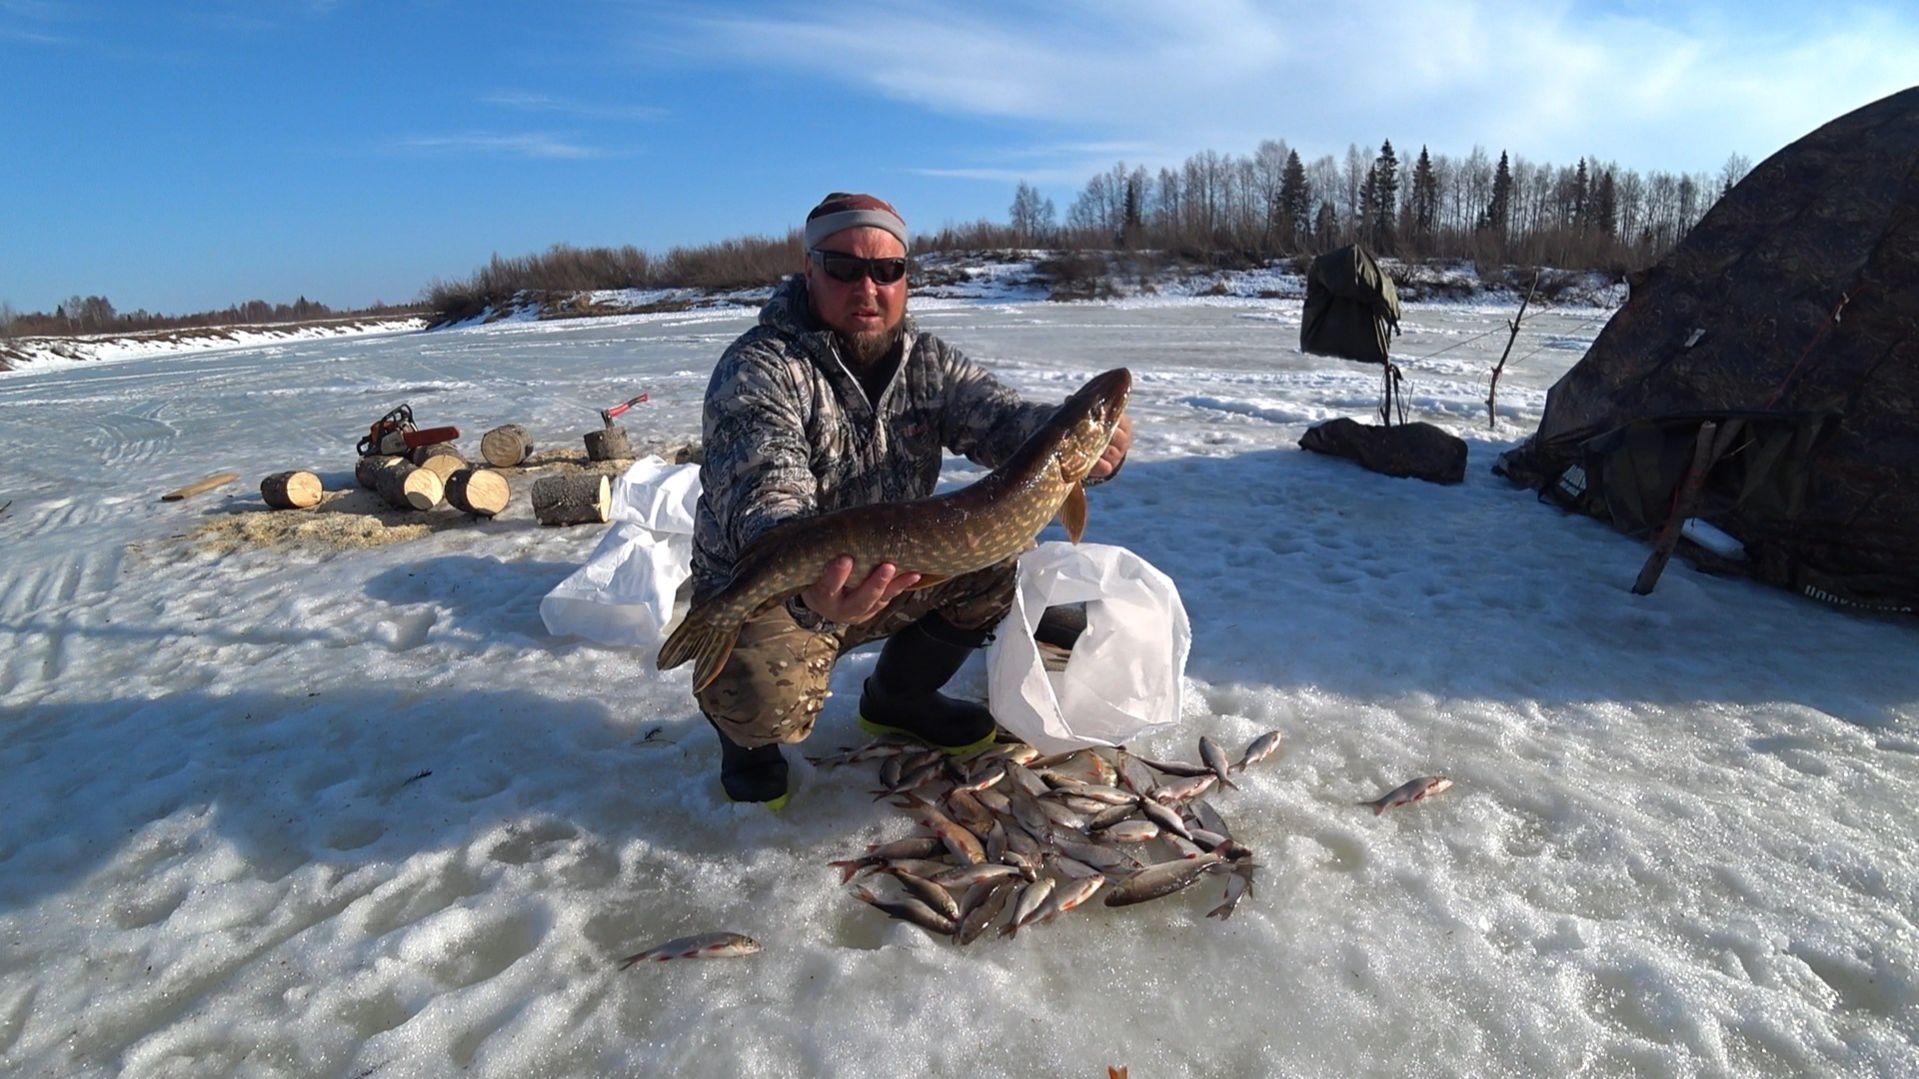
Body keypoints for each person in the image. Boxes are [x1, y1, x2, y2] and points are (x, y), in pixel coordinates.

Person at [688, 192, 1132, 807]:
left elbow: (1007, 423)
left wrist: (1088, 439)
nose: (867, 286)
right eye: (844, 267)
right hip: (776, 584)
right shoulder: (762, 368)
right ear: (810, 270)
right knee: (760, 694)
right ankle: (749, 745)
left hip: (893, 570)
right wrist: (814, 582)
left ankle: (898, 701)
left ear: (904, 280)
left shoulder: (927, 363)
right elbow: (767, 489)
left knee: (1003, 562)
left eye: (887, 270)